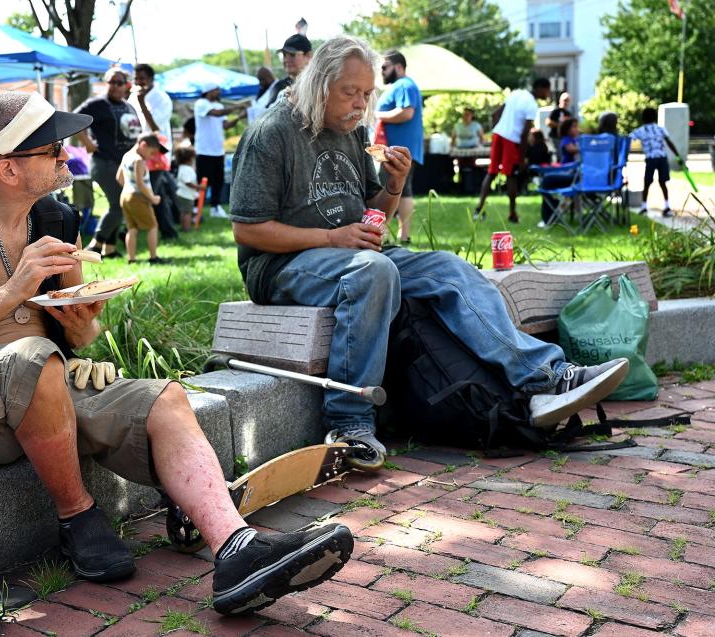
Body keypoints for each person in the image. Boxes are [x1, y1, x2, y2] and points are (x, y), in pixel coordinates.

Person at [0, 90, 353, 615]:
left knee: (167, 398)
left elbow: (77, 332)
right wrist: (13, 291)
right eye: (51, 150)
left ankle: (234, 546)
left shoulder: (58, 221)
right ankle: (78, 516)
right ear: (10, 168)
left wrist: (83, 328)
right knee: (32, 360)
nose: (67, 155)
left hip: (47, 382)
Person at [229, 35, 629, 470]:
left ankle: (546, 377)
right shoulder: (273, 132)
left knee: (447, 268)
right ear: (319, 84)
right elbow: (247, 230)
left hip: (351, 253)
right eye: (351, 93)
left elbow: (372, 215)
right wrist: (331, 238)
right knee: (373, 272)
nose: (361, 105)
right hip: (282, 265)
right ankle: (349, 425)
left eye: (367, 94)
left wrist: (394, 185)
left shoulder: (351, 133)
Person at [76, 67, 142, 258]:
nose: (114, 86)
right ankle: (96, 245)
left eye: (119, 82)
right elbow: (76, 120)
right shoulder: (97, 103)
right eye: (111, 82)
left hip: (124, 165)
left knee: (120, 205)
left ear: (126, 85)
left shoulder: (128, 106)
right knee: (119, 205)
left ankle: (110, 249)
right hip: (104, 162)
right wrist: (88, 143)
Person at [473, 78, 552, 223]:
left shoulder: (516, 94)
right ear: (540, 88)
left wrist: (500, 129)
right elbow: (524, 134)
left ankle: (479, 209)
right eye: (547, 90)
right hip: (511, 140)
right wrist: (522, 159)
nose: (548, 93)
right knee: (511, 175)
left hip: (498, 135)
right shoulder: (532, 105)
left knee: (491, 173)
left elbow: (495, 114)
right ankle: (512, 213)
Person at [376, 50, 423, 244]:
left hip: (396, 152)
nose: (382, 71)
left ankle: (380, 235)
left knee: (381, 190)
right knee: (404, 191)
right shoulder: (403, 85)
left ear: (398, 67)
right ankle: (403, 237)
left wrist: (377, 115)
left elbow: (406, 113)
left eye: (385, 67)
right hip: (399, 150)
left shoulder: (405, 84)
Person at [127, 63, 178, 241]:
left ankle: (142, 228)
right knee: (157, 194)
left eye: (142, 78)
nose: (139, 82)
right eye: (136, 79)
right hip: (138, 152)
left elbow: (156, 128)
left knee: (149, 192)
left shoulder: (162, 98)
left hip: (158, 153)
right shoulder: (132, 97)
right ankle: (168, 231)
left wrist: (142, 103)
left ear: (151, 79)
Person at [117, 133, 168, 264]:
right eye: (152, 153)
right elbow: (140, 183)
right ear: (143, 145)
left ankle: (131, 259)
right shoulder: (139, 160)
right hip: (138, 197)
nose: (152, 157)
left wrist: (129, 188)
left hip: (125, 196)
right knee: (153, 226)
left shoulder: (126, 156)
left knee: (132, 229)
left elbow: (119, 178)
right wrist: (152, 198)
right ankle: (153, 257)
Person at [194, 84, 243, 218]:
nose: (218, 92)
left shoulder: (220, 106)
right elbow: (215, 114)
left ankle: (215, 208)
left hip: (218, 150)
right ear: (207, 91)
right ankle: (195, 207)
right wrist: (236, 107)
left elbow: (225, 126)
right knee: (202, 181)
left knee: (218, 181)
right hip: (204, 150)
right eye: (216, 90)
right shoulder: (201, 103)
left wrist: (239, 117)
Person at [630, 107, 682, 217]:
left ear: (643, 118)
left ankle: (644, 206)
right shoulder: (660, 129)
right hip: (662, 158)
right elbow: (669, 142)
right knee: (663, 182)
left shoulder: (640, 130)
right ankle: (667, 206)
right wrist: (677, 156)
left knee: (647, 182)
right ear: (655, 117)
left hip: (651, 158)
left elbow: (628, 139)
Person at [267, 34, 313, 108]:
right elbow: (268, 114)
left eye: (292, 54)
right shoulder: (279, 87)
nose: (286, 60)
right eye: (284, 55)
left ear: (308, 55)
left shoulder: (317, 85)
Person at [174, 145, 203, 231]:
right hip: (186, 195)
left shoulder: (182, 167)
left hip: (182, 194)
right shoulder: (187, 169)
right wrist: (199, 187)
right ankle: (186, 228)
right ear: (189, 159)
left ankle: (183, 227)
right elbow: (188, 182)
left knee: (183, 212)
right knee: (188, 212)